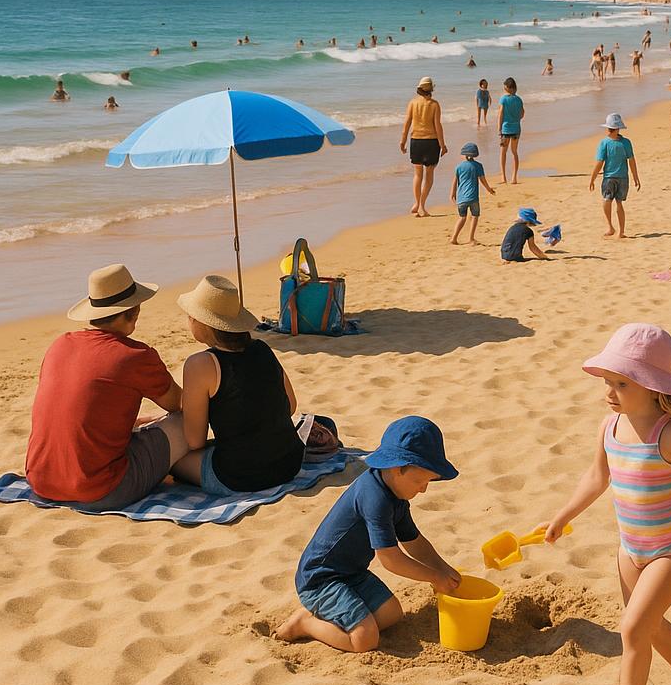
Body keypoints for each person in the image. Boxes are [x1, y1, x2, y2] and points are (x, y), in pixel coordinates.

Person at [539, 324, 671, 685]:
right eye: (609, 382)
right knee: (647, 625)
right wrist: (563, 516)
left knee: (632, 629)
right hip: (629, 551)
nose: (609, 393)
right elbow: (597, 477)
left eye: (622, 384)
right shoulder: (609, 426)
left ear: (652, 386)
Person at [278, 417, 460, 653]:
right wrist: (434, 576)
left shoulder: (397, 493)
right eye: (419, 480)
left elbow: (414, 542)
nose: (423, 489)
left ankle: (331, 616)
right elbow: (391, 560)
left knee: (392, 613)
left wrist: (444, 569)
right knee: (365, 640)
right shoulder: (375, 498)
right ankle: (305, 623)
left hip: (351, 574)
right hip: (320, 579)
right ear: (397, 468)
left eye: (428, 482)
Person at [25, 265, 188, 510]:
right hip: (102, 490)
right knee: (185, 422)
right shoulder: (135, 355)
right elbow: (179, 404)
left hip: (42, 483)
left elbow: (78, 410)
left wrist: (137, 422)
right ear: (134, 312)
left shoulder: (60, 345)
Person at [170, 276, 304, 494]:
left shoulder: (200, 364)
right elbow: (291, 406)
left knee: (169, 460)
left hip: (239, 476)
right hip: (289, 463)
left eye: (190, 316)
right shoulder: (262, 348)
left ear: (203, 322)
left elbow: (195, 442)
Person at [399, 76, 447, 217]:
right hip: (431, 142)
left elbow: (407, 123)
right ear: (431, 89)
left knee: (417, 174)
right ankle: (422, 205)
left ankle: (416, 203)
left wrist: (402, 141)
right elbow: (438, 126)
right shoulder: (434, 105)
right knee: (429, 175)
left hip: (416, 141)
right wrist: (442, 145)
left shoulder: (413, 103)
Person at [589, 113, 641, 239]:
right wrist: (635, 177)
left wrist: (592, 178)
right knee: (617, 203)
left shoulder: (605, 143)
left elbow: (599, 163)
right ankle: (618, 230)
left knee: (608, 200)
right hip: (621, 177)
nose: (609, 130)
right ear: (618, 129)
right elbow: (632, 161)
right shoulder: (625, 142)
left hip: (611, 178)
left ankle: (613, 228)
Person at [450, 143, 496, 245]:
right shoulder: (478, 166)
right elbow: (482, 180)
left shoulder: (459, 167)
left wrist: (452, 194)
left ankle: (454, 237)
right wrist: (489, 189)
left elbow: (455, 181)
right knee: (475, 216)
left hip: (461, 198)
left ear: (464, 154)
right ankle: (471, 238)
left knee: (462, 217)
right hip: (473, 197)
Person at [498, 77, 525, 184]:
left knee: (503, 153)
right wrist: (516, 119)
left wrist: (499, 128)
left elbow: (500, 114)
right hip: (516, 128)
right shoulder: (519, 99)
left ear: (508, 87)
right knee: (514, 152)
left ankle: (503, 177)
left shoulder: (503, 99)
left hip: (506, 129)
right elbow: (522, 114)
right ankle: (514, 177)